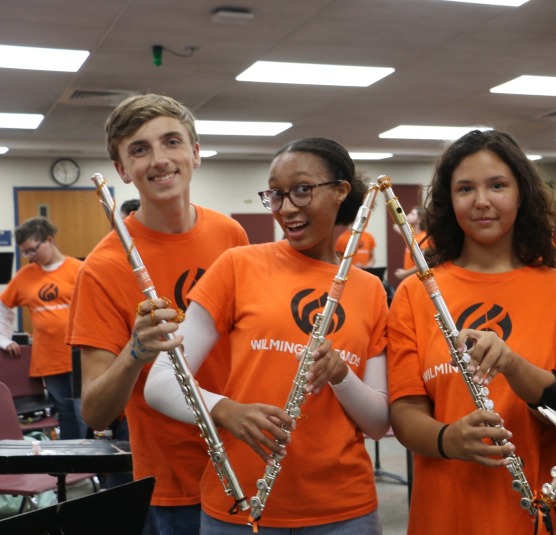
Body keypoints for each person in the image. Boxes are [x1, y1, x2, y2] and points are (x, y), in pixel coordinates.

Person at [144, 137, 389, 534]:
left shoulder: (370, 290)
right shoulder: (237, 266)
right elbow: (160, 382)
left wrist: (341, 377)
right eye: (276, 194)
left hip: (344, 511)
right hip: (240, 504)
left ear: (341, 191)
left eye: (302, 190)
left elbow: (379, 423)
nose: (286, 208)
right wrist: (225, 411)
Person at [387, 129, 556, 535]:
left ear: (521, 194)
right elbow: (404, 412)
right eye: (465, 188)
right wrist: (448, 438)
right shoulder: (416, 293)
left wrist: (511, 364)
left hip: (553, 513)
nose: (482, 201)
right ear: (449, 202)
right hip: (451, 515)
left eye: (497, 186)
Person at [66, 93, 249, 534]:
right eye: (139, 149)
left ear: (196, 153)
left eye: (171, 142)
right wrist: (135, 351)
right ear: (122, 170)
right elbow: (94, 413)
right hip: (176, 484)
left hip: (249, 459)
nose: (160, 159)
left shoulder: (231, 233)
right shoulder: (103, 267)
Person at [0, 217, 86, 440]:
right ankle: (70, 464)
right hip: (48, 357)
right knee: (64, 413)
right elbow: (3, 306)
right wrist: (3, 338)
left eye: (32, 250)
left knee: (83, 412)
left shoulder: (80, 270)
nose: (30, 257)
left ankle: (96, 468)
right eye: (25, 253)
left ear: (49, 240)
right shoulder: (25, 276)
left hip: (81, 356)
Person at [393, 205, 431, 281]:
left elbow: (422, 264)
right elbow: (395, 226)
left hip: (418, 279)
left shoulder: (424, 238)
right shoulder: (410, 235)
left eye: (412, 214)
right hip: (410, 278)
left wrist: (405, 274)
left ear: (419, 220)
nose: (408, 215)